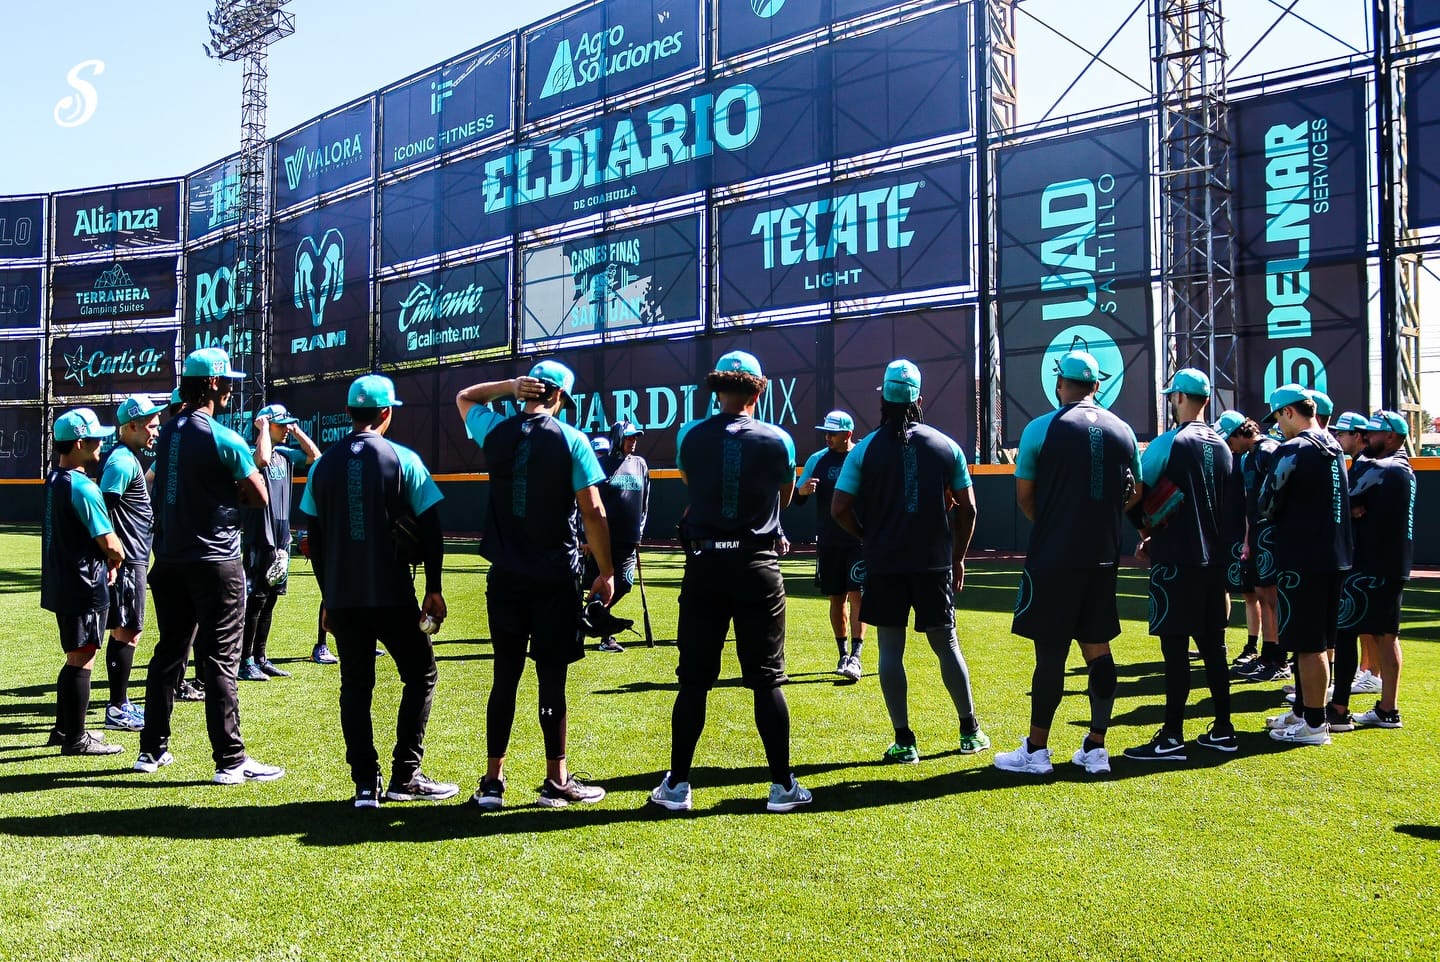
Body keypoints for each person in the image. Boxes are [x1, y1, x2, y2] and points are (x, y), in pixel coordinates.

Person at [648, 350, 810, 814]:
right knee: (766, 681)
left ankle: (677, 786)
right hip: (757, 568)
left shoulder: (690, 435)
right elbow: (783, 493)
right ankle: (782, 787)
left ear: (718, 390)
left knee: (694, 682)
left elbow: (691, 484)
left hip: (704, 568)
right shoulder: (778, 439)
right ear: (759, 390)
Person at [456, 361, 614, 810]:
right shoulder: (572, 440)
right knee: (552, 679)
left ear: (525, 392)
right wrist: (604, 571)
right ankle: (555, 779)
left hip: (505, 576)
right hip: (554, 578)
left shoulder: (497, 431)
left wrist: (505, 386)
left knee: (504, 677)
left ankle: (492, 782)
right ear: (560, 397)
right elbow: (594, 511)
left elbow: (465, 397)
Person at [301, 375, 456, 807]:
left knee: (355, 687)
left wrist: (327, 597)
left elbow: (313, 540)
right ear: (387, 413)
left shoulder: (322, 465)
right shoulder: (402, 457)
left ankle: (365, 784)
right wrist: (435, 587)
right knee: (421, 674)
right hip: (391, 595)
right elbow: (431, 528)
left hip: (345, 600)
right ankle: (406, 775)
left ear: (350, 413)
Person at [134, 347, 284, 783]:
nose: (234, 388)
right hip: (215, 563)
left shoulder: (169, 432)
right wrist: (227, 496)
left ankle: (151, 750)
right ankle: (231, 761)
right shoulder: (221, 435)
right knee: (220, 660)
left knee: (168, 654)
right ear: (215, 384)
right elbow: (260, 494)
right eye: (229, 381)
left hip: (171, 561)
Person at [831, 359, 990, 765]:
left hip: (885, 564)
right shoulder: (945, 445)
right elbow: (968, 509)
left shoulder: (864, 450)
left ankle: (904, 741)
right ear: (919, 398)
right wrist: (956, 557)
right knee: (946, 643)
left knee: (890, 649)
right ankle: (969, 731)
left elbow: (839, 508)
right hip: (934, 563)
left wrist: (868, 536)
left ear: (883, 397)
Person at [994, 351, 1139, 776]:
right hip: (1102, 556)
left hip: (1055, 556)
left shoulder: (1042, 428)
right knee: (1098, 649)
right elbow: (1136, 491)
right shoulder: (1123, 430)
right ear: (1097, 385)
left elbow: (1025, 498)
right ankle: (1096, 746)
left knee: (1051, 654)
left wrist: (1057, 522)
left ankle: (1037, 751)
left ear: (1061, 384)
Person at [1123, 368, 1236, 761]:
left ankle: (1171, 736)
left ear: (1178, 398)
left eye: (1172, 396)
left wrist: (1142, 530)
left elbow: (1134, 492)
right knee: (1215, 650)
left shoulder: (1168, 442)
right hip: (1214, 564)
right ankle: (1224, 728)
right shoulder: (1222, 445)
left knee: (1175, 651)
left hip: (1175, 562)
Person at [1258, 384, 1352, 747]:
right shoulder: (1333, 444)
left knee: (1308, 645)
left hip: (1304, 558)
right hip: (1334, 556)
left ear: (1288, 413)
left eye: (1278, 418)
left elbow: (1268, 503)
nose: (1278, 426)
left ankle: (1314, 723)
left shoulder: (1295, 448)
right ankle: (1303, 710)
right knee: (1315, 642)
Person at [42, 408, 126, 756]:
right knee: (83, 657)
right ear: (78, 443)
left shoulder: (53, 479)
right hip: (84, 585)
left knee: (74, 656)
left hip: (62, 581)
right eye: (94, 438)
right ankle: (76, 739)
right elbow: (110, 543)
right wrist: (116, 559)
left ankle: (65, 730)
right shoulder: (83, 486)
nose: (100, 443)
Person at [1329, 411, 1414, 732]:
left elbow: (1340, 504)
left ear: (1390, 437)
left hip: (1369, 564)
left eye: (1373, 434)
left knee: (1347, 631)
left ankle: (1338, 709)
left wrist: (1350, 510)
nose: (1366, 439)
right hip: (1393, 563)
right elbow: (1350, 506)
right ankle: (1387, 709)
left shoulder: (1382, 468)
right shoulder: (1401, 467)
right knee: (1387, 635)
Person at [98, 394, 166, 732]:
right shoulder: (122, 462)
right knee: (128, 631)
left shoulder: (129, 458)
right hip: (128, 560)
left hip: (135, 557)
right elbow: (102, 508)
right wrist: (111, 554)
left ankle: (119, 703)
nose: (156, 430)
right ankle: (117, 707)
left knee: (128, 630)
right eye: (151, 425)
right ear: (132, 426)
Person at [239, 402, 319, 682]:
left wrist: (296, 430)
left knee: (270, 599)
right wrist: (262, 428)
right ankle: (244, 660)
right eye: (280, 424)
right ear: (264, 424)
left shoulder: (285, 455)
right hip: (260, 538)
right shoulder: (253, 453)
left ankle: (260, 657)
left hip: (281, 539)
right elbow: (261, 459)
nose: (285, 429)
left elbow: (315, 457)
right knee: (256, 600)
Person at [795, 410, 866, 680]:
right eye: (825, 432)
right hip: (828, 541)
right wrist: (802, 491)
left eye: (833, 433)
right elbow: (798, 496)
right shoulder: (817, 460)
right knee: (837, 598)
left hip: (858, 539)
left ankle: (856, 658)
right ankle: (843, 654)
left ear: (847, 434)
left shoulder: (861, 456)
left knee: (858, 595)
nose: (827, 437)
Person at [1227, 416, 1287, 683]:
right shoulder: (1248, 456)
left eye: (1229, 438)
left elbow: (1279, 494)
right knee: (1262, 594)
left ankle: (1279, 658)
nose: (1229, 444)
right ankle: (1267, 654)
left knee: (1272, 597)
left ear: (1240, 433)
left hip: (1272, 534)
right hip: (1258, 534)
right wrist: (1249, 540)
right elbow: (1251, 504)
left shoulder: (1267, 451)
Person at [585, 420, 650, 653]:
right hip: (604, 538)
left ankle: (591, 614)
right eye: (629, 437)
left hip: (628, 540)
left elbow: (644, 502)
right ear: (618, 438)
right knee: (605, 584)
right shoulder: (600, 465)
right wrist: (586, 537)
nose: (633, 441)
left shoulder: (640, 465)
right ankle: (605, 636)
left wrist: (639, 531)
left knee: (624, 584)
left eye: (635, 438)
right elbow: (588, 504)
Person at [1330, 412, 1382, 697]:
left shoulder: (1368, 465)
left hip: (1368, 553)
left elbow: (1358, 507)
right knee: (1360, 620)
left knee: (1367, 621)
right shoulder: (1357, 464)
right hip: (1357, 550)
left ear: (1359, 436)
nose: (1339, 438)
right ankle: (1367, 672)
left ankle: (1372, 674)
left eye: (1344, 433)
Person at [1211, 411, 1262, 667]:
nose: (1228, 444)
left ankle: (1254, 646)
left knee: (1252, 594)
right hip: (1227, 535)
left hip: (1244, 536)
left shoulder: (1251, 459)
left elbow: (1249, 505)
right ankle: (1217, 641)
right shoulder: (1231, 457)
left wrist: (1247, 539)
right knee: (1224, 587)